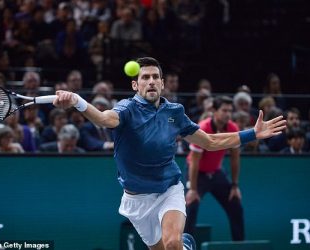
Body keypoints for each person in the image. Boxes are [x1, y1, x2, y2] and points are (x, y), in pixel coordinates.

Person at [52, 57, 286, 250]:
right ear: (136, 85)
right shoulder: (126, 109)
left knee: (172, 244)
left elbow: (210, 142)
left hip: (169, 189)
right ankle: (187, 246)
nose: (151, 81)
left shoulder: (175, 113)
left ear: (162, 84)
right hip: (136, 200)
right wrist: (77, 101)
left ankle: (180, 244)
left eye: (155, 77)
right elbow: (103, 119)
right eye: (145, 77)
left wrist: (252, 134)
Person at [184, 96, 244, 241]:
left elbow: (235, 158)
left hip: (216, 173)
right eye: (224, 110)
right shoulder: (203, 128)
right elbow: (194, 161)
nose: (228, 114)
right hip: (197, 174)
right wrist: (192, 189)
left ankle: (240, 245)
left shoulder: (233, 128)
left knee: (235, 204)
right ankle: (185, 245)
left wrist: (235, 185)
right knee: (191, 206)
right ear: (214, 111)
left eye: (230, 111)